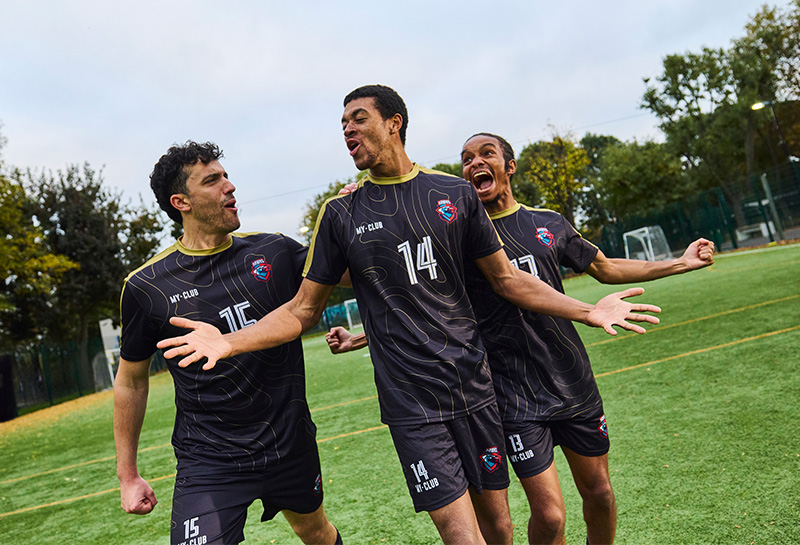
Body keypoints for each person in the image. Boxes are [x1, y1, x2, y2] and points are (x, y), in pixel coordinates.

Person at [156, 86, 660, 545]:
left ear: (394, 122)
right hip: (412, 404)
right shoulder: (341, 214)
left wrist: (587, 309)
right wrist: (230, 340)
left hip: (476, 390)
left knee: (501, 528)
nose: (348, 130)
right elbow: (300, 310)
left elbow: (507, 279)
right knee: (465, 538)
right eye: (343, 126)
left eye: (358, 119)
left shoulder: (454, 196)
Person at [328, 132, 715, 545]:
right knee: (549, 517)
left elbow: (605, 267)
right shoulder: (453, 232)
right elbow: (422, 305)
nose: (474, 163)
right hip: (509, 392)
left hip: (571, 378)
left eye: (486, 154)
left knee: (600, 494)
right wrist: (363, 204)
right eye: (466, 158)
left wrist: (681, 263)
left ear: (509, 167)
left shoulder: (547, 222)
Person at [113, 141, 341, 545]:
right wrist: (127, 475)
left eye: (226, 175)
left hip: (289, 442)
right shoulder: (146, 287)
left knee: (315, 532)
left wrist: (349, 217)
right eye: (213, 181)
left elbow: (352, 272)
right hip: (210, 461)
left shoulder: (275, 249)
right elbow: (131, 381)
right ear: (180, 201)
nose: (230, 186)